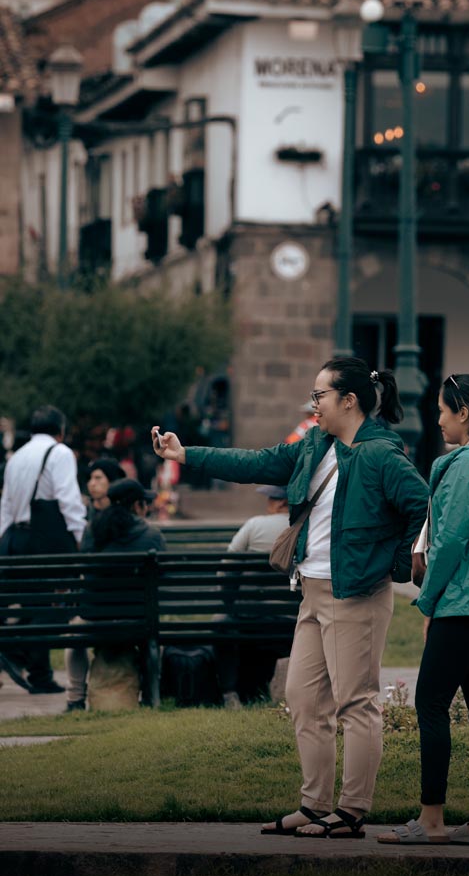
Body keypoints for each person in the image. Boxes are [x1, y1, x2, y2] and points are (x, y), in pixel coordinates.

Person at [152, 357, 428, 838]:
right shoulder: (314, 445)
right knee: (303, 699)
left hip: (355, 593)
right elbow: (257, 463)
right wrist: (185, 454)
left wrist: (395, 563)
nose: (313, 403)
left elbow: (422, 508)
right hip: (312, 590)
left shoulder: (382, 454)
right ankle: (315, 804)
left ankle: (351, 810)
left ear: (349, 400)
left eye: (320, 395)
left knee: (355, 703)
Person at [378, 373, 469, 848]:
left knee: (431, 703)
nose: (438, 420)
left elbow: (451, 542)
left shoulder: (466, 465)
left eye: (443, 411)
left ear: (463, 413)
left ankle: (432, 819)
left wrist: (428, 599)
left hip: (465, 598)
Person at [0, 405, 86, 694]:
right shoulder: (59, 453)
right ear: (60, 431)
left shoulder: (17, 457)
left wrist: (5, 540)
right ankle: (21, 653)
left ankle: (36, 670)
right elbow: (68, 498)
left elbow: (6, 505)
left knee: (30, 603)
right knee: (57, 605)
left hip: (16, 538)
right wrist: (80, 536)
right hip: (47, 540)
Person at [65, 478, 165, 712]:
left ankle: (75, 698)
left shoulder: (93, 531)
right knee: (153, 642)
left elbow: (86, 574)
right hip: (137, 619)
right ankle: (151, 696)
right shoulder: (151, 535)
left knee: (73, 637)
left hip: (94, 619)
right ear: (137, 506)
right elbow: (163, 576)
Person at [215, 484, 291, 710]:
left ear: (281, 502)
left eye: (270, 499)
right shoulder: (305, 526)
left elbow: (226, 569)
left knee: (223, 625)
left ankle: (230, 692)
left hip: (249, 619)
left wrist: (230, 605)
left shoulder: (255, 525)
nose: (267, 503)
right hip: (292, 621)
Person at [85, 457, 127, 522]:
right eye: (90, 479)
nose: (92, 483)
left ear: (112, 480)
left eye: (98, 478)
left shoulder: (125, 513)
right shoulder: (82, 512)